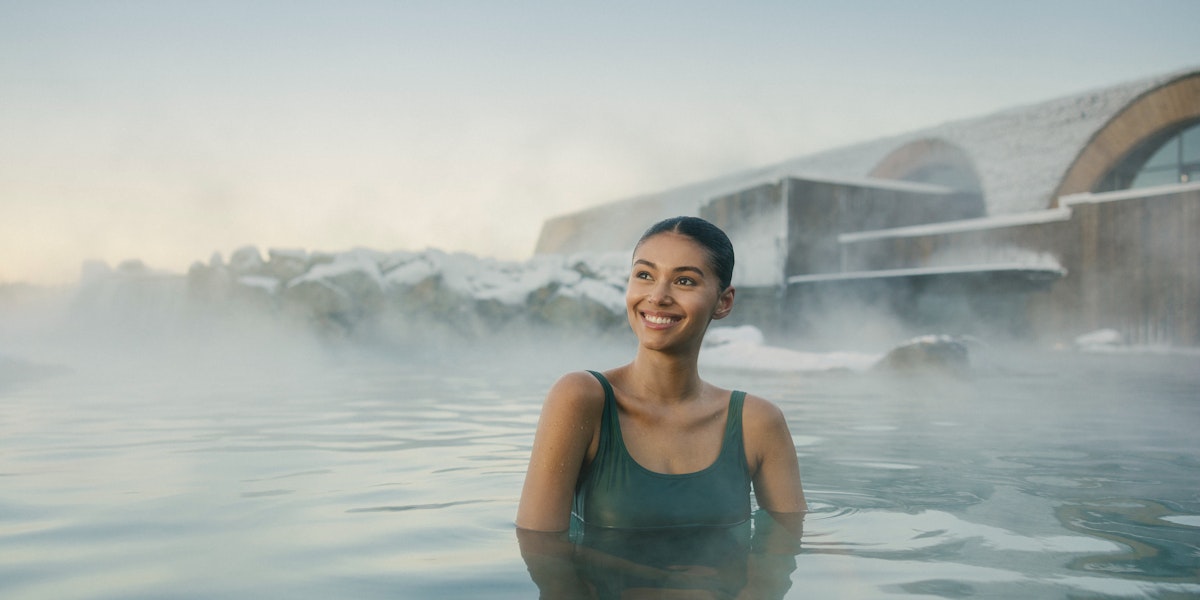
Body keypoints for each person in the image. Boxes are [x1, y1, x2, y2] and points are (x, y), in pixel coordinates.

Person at [516, 216, 806, 597]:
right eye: (645, 275)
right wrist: (668, 583)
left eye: (685, 280)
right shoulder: (581, 399)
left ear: (724, 302)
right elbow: (541, 551)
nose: (658, 296)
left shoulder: (758, 423)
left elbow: (783, 549)